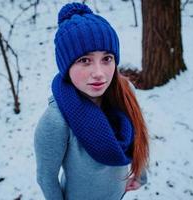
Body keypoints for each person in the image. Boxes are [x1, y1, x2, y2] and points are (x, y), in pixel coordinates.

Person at [34, 2, 149, 200]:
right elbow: (46, 177)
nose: (99, 73)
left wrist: (140, 173)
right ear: (66, 67)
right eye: (85, 60)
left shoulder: (124, 92)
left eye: (107, 58)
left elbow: (138, 134)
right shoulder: (56, 121)